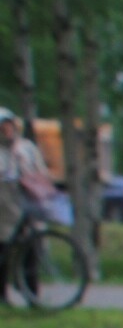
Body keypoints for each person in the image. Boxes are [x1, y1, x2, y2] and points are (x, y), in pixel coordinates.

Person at [0, 108, 52, 294]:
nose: (6, 130)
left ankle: (31, 290)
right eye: (2, 127)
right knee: (4, 246)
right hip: (5, 208)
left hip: (28, 204)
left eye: (9, 126)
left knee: (31, 245)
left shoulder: (26, 148)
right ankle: (3, 292)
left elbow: (41, 172)